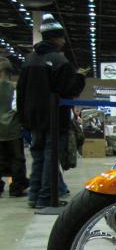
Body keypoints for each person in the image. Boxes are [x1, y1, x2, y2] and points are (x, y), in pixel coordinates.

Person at [16, 14, 87, 209]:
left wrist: (23, 119)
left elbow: (20, 91)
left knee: (38, 157)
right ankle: (47, 197)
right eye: (62, 37)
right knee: (49, 158)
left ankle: (35, 196)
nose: (64, 41)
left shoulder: (29, 60)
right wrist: (80, 77)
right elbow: (69, 90)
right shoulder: (59, 61)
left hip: (33, 120)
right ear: (56, 38)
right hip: (53, 119)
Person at [0, 57, 28, 197]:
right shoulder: (15, 87)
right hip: (13, 129)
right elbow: (19, 108)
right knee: (17, 159)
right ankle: (16, 188)